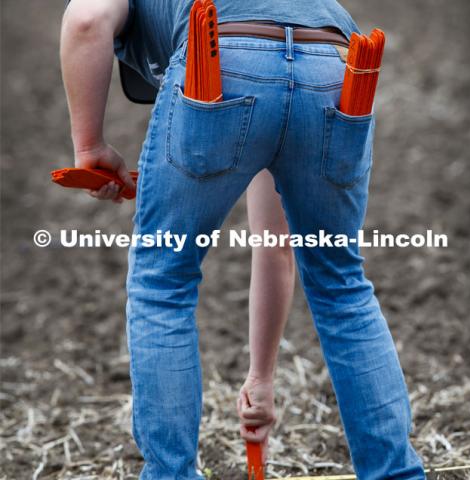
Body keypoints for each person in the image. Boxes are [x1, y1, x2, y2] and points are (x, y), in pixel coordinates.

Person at [60, 0, 425, 478]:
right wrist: (261, 379)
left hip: (222, 55)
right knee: (341, 286)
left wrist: (89, 148)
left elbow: (86, 20)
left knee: (161, 279)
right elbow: (276, 250)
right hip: (335, 66)